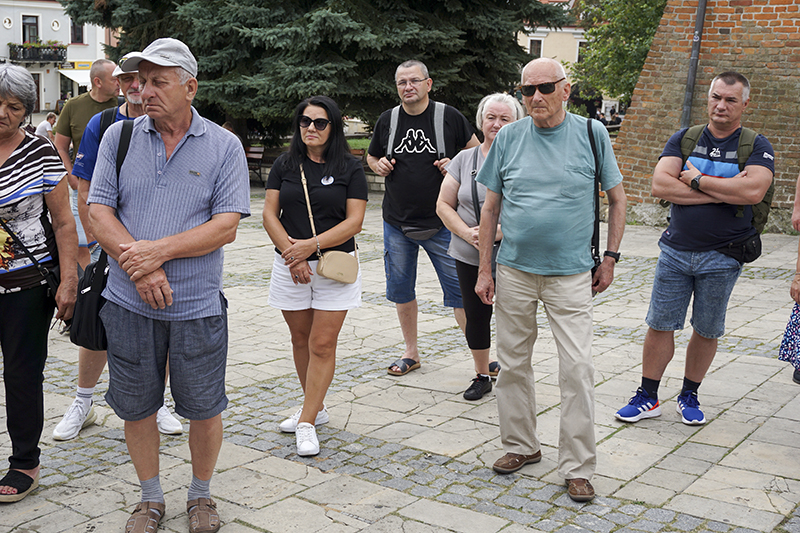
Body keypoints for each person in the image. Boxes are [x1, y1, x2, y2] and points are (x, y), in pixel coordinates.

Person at [87, 38, 250, 533]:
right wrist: (142, 266)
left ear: (190, 87)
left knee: (203, 408)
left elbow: (225, 226)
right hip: (127, 304)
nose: (143, 91)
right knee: (136, 406)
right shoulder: (119, 138)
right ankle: (150, 497)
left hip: (196, 305)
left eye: (158, 81)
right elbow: (98, 211)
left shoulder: (224, 145)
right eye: (139, 81)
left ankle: (201, 496)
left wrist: (159, 251)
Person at [474, 58, 627, 502]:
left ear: (566, 89)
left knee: (577, 368)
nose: (536, 97)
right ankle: (521, 446)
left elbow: (617, 201)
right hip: (515, 271)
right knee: (512, 365)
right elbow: (489, 209)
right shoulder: (509, 138)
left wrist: (611, 258)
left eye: (545, 87)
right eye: (527, 90)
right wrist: (486, 269)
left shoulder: (591, 134)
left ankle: (578, 466)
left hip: (571, 274)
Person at [615, 71, 774, 426]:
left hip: (724, 254)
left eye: (730, 100)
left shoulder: (756, 145)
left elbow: (753, 192)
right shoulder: (685, 138)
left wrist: (697, 180)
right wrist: (724, 190)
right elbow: (660, 185)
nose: (721, 105)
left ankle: (689, 395)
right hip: (675, 250)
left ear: (745, 104)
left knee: (707, 329)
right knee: (660, 324)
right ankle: (648, 396)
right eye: (716, 97)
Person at [52, 56, 183, 442]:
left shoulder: (179, 125)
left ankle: (158, 404)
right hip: (110, 246)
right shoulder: (105, 124)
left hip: (163, 249)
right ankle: (82, 401)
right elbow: (86, 193)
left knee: (164, 323)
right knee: (97, 325)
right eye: (126, 78)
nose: (133, 85)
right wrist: (98, 244)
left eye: (140, 78)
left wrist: (158, 253)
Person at [263, 95, 368, 456]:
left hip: (335, 266)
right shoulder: (285, 164)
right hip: (291, 265)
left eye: (319, 122)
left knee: (322, 343)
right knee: (299, 339)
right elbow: (269, 215)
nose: (310, 128)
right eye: (305, 122)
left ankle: (307, 420)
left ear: (333, 127)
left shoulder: (349, 168)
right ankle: (316, 407)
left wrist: (309, 246)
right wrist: (293, 255)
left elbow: (354, 221)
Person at [367, 60, 479, 376]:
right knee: (402, 291)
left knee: (461, 292)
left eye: (414, 81)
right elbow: (372, 155)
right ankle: (411, 352)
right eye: (402, 82)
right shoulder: (388, 119)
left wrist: (455, 164)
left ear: (428, 84)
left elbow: (478, 155)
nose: (408, 87)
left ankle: (481, 359)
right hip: (397, 222)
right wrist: (377, 166)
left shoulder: (449, 116)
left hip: (444, 223)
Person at [0, 64, 79, 502]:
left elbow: (65, 222)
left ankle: (24, 461)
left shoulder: (41, 153)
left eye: (14, 106)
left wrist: (69, 279)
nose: (3, 113)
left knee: (21, 374)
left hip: (27, 286)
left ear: (26, 111)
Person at [435, 93, 525, 400]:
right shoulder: (465, 159)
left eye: (504, 119)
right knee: (475, 314)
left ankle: (515, 376)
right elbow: (443, 205)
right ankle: (482, 374)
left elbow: (535, 208)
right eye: (491, 118)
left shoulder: (524, 158)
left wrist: (495, 233)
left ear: (517, 122)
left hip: (515, 251)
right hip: (468, 251)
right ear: (481, 120)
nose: (496, 124)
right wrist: (467, 233)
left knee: (515, 318)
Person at [53, 59, 119, 269]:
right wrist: (72, 177)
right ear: (97, 82)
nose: (119, 82)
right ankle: (88, 291)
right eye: (114, 78)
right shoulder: (73, 106)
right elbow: (60, 146)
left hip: (115, 186)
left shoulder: (124, 105)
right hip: (83, 185)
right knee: (84, 245)